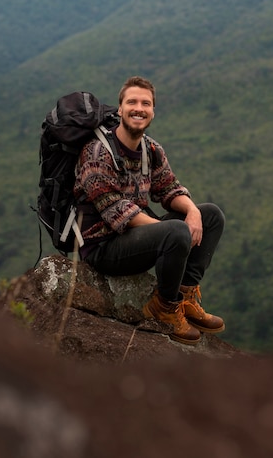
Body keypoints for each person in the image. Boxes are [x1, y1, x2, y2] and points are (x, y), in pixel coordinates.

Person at [74, 75, 225, 345]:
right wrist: (173, 233)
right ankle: (165, 308)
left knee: (210, 215)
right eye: (132, 102)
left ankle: (185, 296)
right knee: (176, 232)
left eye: (146, 103)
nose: (139, 108)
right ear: (119, 109)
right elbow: (116, 213)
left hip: (137, 238)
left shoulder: (151, 149)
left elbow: (169, 188)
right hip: (103, 247)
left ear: (153, 110)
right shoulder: (97, 152)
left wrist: (192, 212)